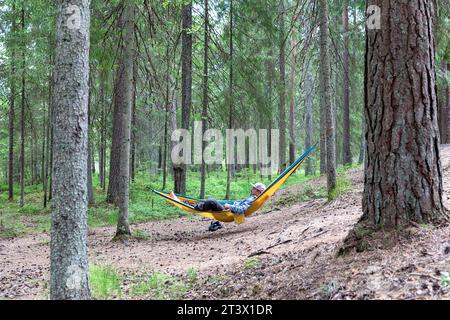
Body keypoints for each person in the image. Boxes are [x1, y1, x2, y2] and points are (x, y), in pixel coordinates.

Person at [169, 182, 266, 231]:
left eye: (254, 188)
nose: (252, 189)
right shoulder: (251, 197)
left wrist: (230, 206)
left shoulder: (252, 199)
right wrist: (232, 203)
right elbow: (240, 205)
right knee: (206, 202)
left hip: (228, 213)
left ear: (258, 192)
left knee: (211, 201)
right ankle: (186, 203)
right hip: (228, 211)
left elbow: (241, 210)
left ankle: (185, 203)